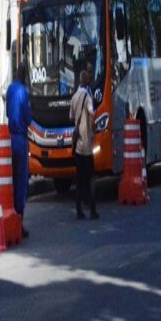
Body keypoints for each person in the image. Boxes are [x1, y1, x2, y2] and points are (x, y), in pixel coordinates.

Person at [5, 55, 32, 238]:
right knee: (21, 183)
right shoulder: (24, 92)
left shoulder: (10, 89)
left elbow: (8, 112)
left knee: (11, 181)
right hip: (21, 140)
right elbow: (28, 118)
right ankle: (19, 222)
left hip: (10, 139)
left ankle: (10, 219)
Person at [71, 64, 98, 220]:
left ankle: (79, 210)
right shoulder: (87, 98)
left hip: (78, 146)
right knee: (91, 179)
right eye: (88, 78)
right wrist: (93, 129)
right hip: (87, 145)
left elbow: (71, 117)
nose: (89, 80)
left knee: (79, 179)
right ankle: (93, 210)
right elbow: (92, 115)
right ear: (85, 81)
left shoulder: (74, 98)